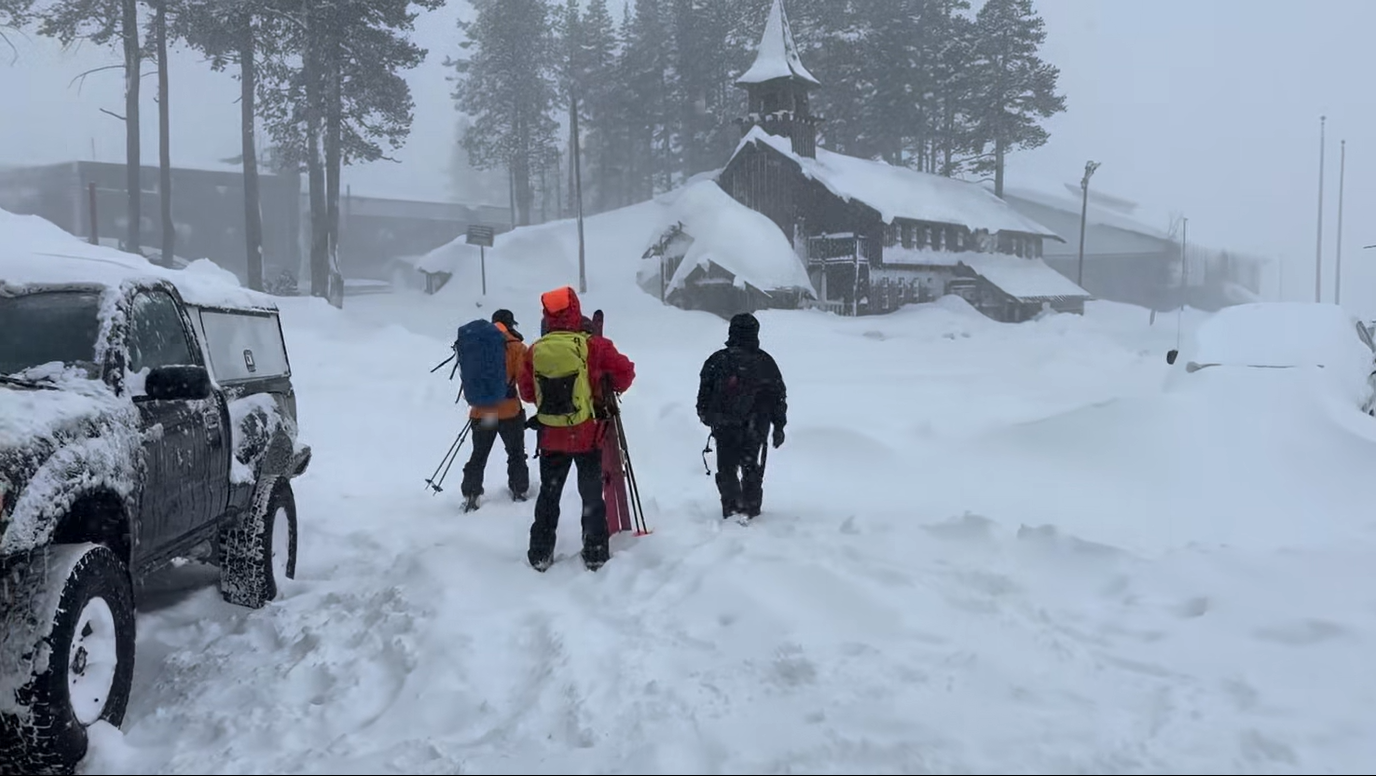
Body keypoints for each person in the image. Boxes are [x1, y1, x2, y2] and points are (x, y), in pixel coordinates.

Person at [519, 286, 635, 571]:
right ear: (576, 309)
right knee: (592, 494)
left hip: (551, 436)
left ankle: (540, 553)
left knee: (549, 494)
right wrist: (601, 389)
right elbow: (626, 373)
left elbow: (527, 392)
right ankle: (595, 552)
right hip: (587, 433)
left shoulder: (536, 349)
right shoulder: (595, 345)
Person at [696, 312, 787, 520]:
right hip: (757, 426)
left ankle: (732, 508)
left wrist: (708, 417)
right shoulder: (765, 362)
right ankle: (752, 509)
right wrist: (779, 426)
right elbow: (778, 396)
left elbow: (703, 397)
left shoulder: (717, 361)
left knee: (727, 468)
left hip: (725, 426)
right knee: (751, 466)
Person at [459, 309, 530, 509]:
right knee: (515, 452)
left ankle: (471, 493)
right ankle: (519, 488)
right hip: (509, 412)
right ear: (511, 324)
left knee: (479, 453)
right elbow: (524, 380)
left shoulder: (476, 344)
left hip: (483, 412)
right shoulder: (517, 347)